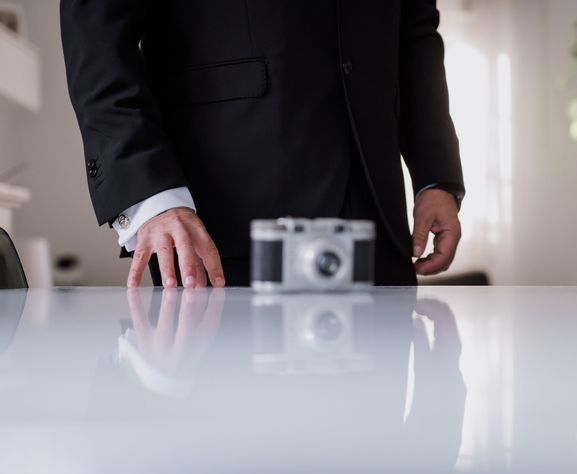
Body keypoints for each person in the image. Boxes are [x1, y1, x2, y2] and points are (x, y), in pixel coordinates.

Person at [60, 0, 465, 288]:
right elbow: (96, 34)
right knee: (228, 405)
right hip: (221, 220)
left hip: (377, 218)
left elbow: (415, 31)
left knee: (376, 405)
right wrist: (150, 196)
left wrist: (435, 176)